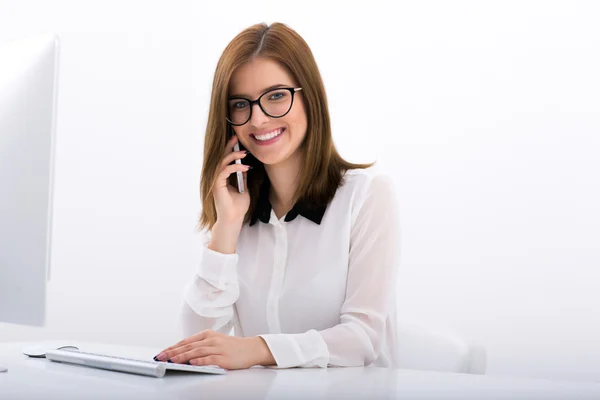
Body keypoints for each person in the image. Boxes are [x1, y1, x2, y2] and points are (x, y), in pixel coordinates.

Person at [154, 22, 401, 370]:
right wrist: (225, 227)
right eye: (241, 103)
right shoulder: (239, 213)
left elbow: (363, 339)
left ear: (309, 97)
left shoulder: (366, 196)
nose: (258, 119)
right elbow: (197, 341)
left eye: (276, 96)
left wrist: (258, 349)